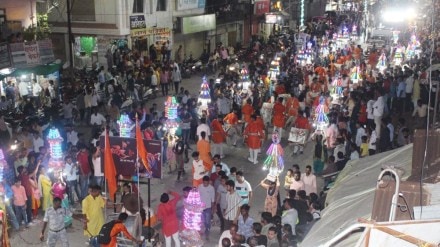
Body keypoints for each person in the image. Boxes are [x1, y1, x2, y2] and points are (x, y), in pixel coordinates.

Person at [198, 176, 215, 240]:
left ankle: (207, 231)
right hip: (201, 208)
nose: (205, 184)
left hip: (208, 208)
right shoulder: (200, 187)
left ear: (208, 182)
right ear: (203, 182)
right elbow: (198, 196)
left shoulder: (211, 188)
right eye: (204, 183)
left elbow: (212, 199)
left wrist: (212, 209)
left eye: (206, 183)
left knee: (208, 221)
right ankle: (205, 229)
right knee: (203, 220)